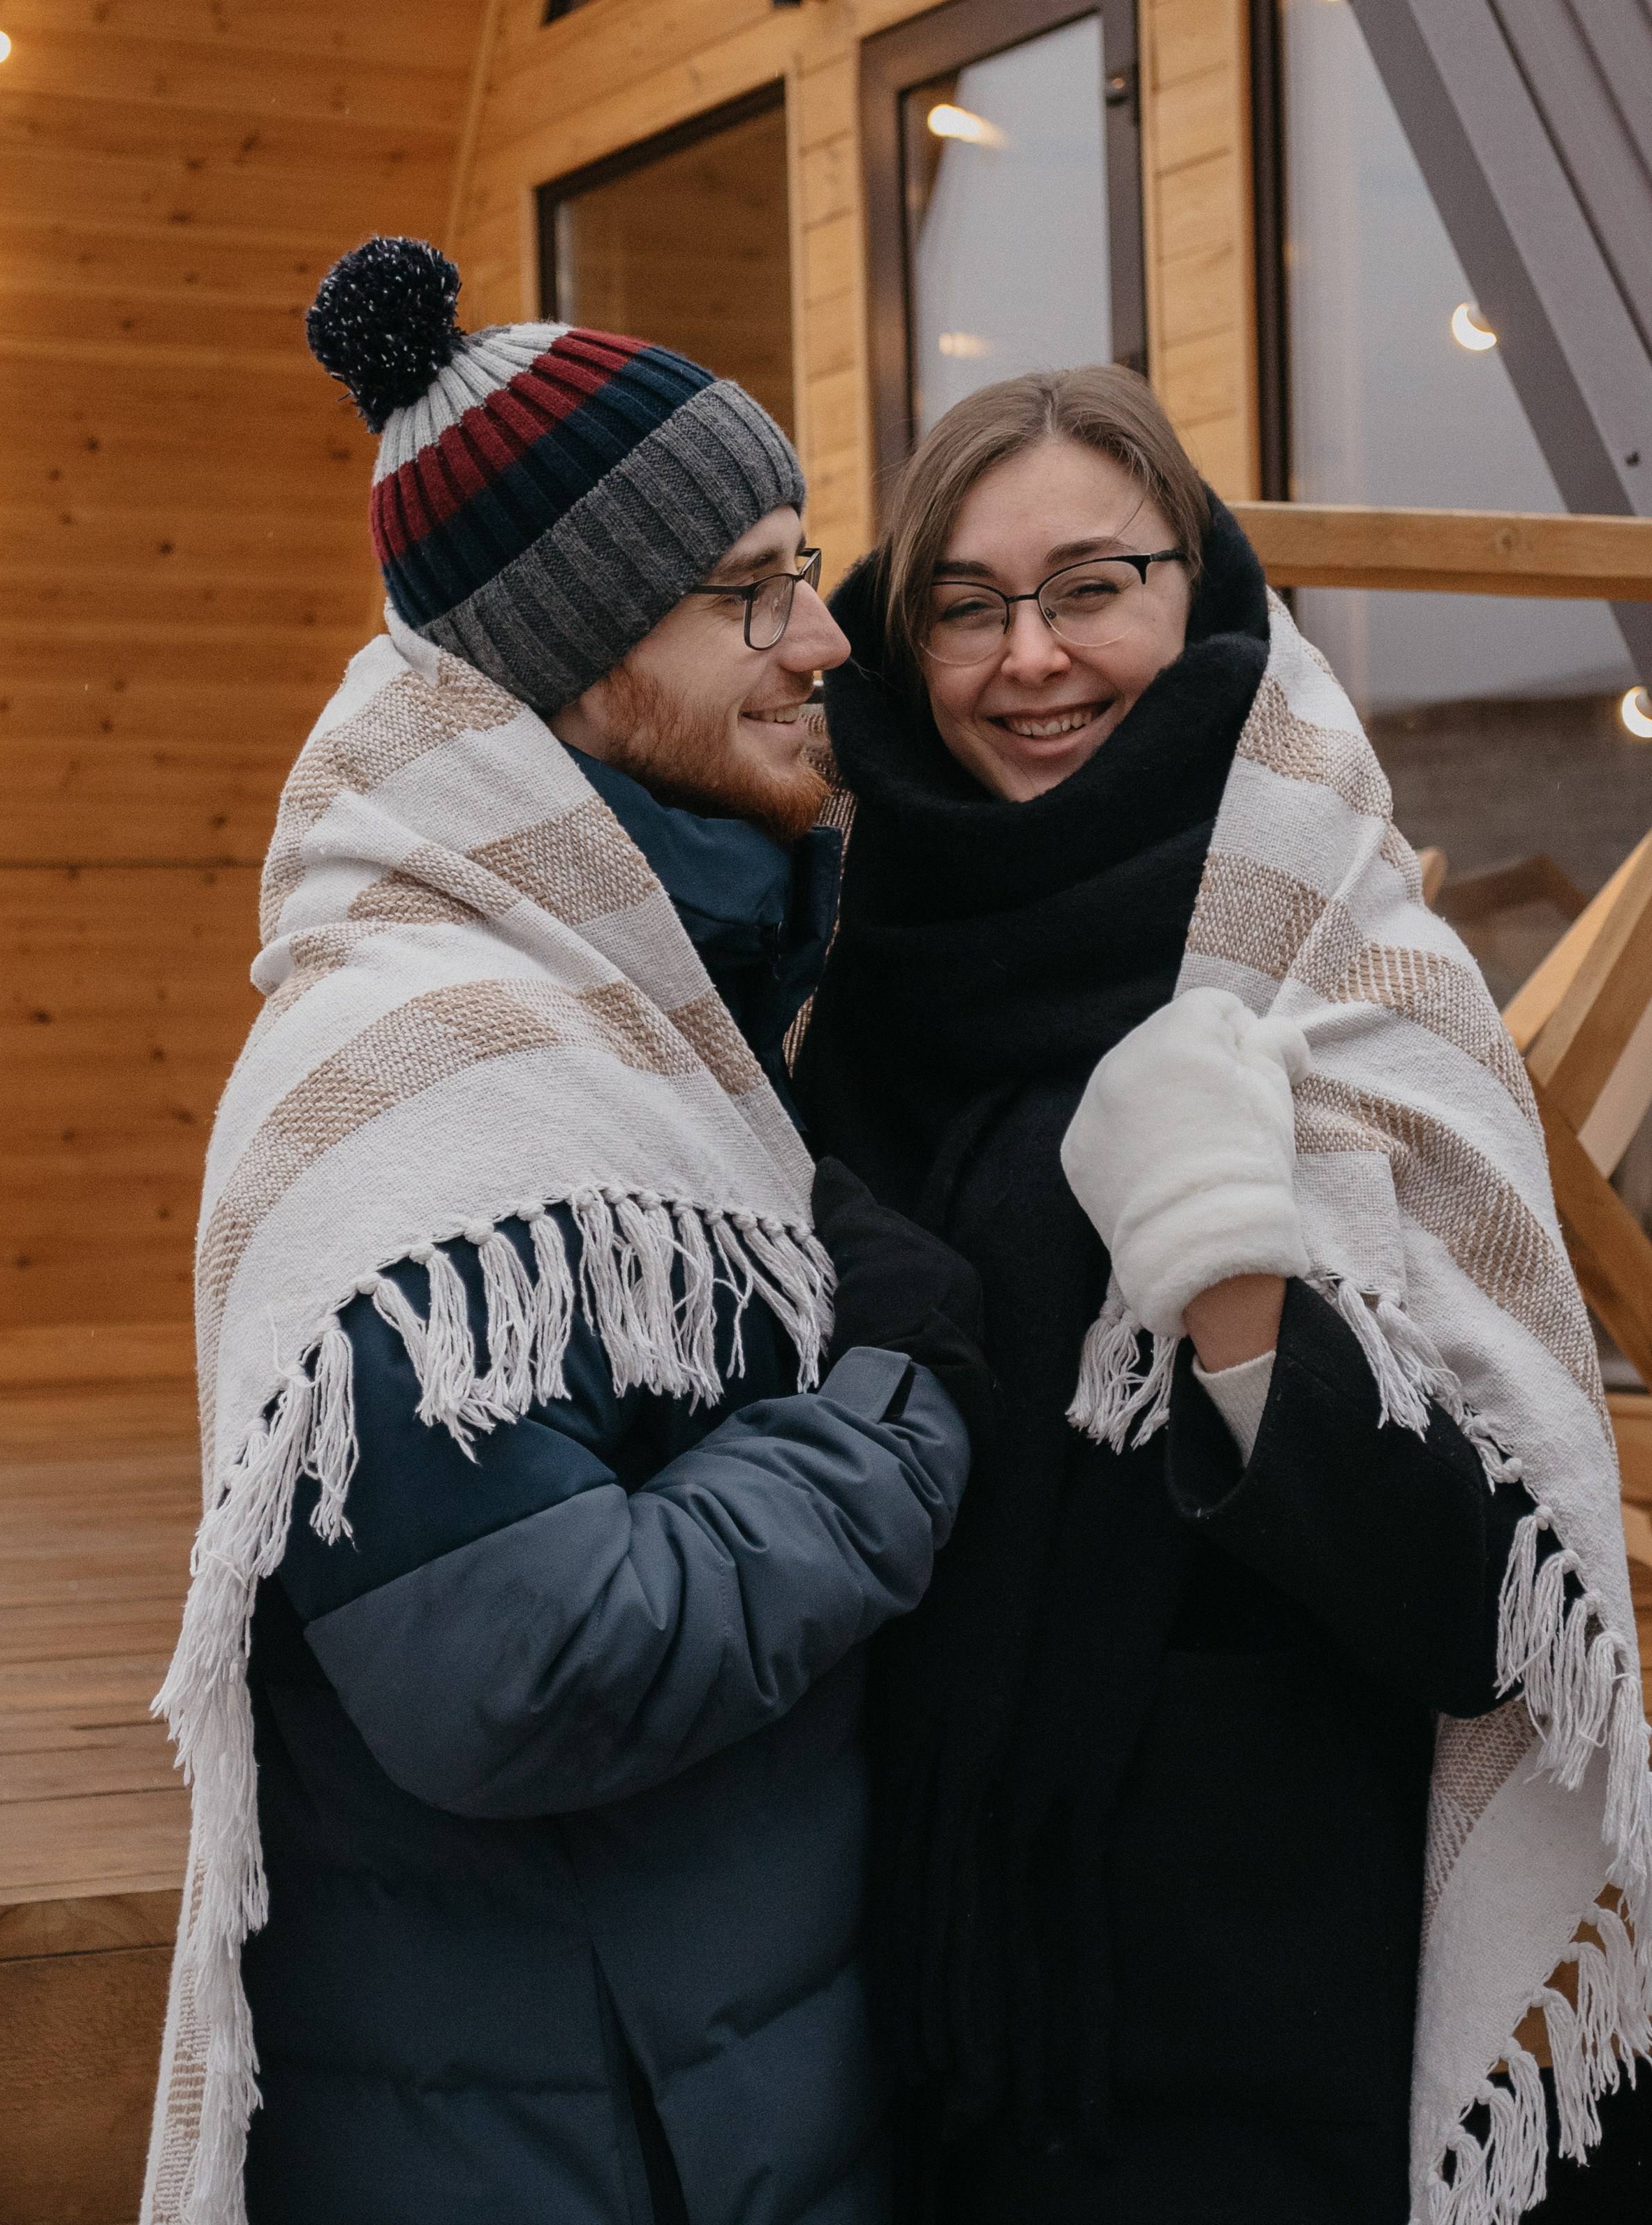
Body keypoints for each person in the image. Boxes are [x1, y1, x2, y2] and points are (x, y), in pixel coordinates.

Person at [141, 238, 995, 2225]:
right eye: (750, 592)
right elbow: (524, 1662)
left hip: (696, 2091)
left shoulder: (642, 1031)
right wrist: (895, 1400)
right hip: (565, 2146)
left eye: (808, 572)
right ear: (578, 661)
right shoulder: (430, 1074)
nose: (824, 641)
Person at [792, 367, 1652, 2225]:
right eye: (966, 601)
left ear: (1204, 598)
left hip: (1245, 1987)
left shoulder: (1355, 978)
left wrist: (1231, 1279)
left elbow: (1472, 1602)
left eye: (1091, 584)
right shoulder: (848, 969)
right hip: (912, 1963)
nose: (1030, 657)